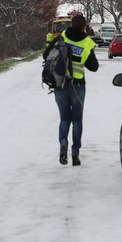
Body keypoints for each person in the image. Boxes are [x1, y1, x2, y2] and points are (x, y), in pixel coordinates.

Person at [43, 13, 99, 166]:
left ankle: (63, 145)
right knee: (77, 120)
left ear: (71, 24)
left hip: (60, 84)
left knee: (64, 119)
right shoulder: (87, 43)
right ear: (84, 27)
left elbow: (45, 55)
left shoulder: (61, 38)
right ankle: (75, 154)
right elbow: (94, 67)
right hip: (78, 85)